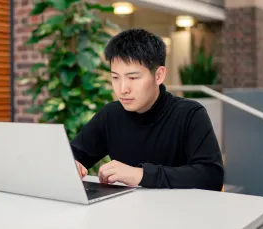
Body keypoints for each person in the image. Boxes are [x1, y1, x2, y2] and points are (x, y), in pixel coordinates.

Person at [70, 29, 224, 191]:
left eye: (133, 78)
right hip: (127, 212)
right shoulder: (110, 115)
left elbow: (211, 176)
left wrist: (141, 175)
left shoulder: (190, 114)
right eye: (115, 77)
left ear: (159, 75)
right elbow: (74, 154)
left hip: (178, 212)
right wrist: (72, 165)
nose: (123, 89)